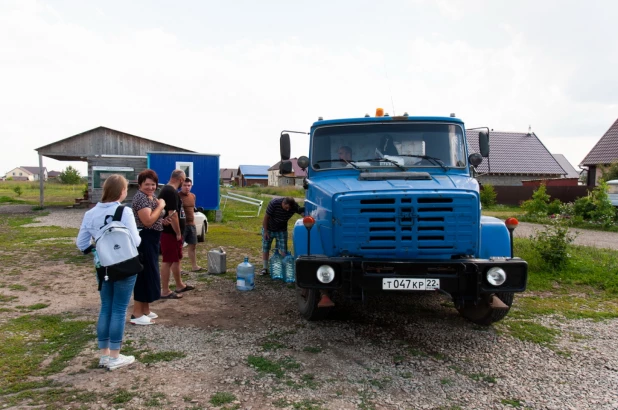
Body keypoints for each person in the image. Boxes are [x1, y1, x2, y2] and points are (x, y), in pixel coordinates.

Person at [76, 174, 141, 370]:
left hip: (103, 266)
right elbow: (136, 241)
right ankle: (115, 356)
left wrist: (97, 252)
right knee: (120, 309)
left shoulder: (90, 214)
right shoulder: (124, 211)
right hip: (124, 264)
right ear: (122, 191)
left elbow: (81, 244)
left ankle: (104, 355)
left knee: (106, 307)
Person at [131, 169, 167, 323]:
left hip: (152, 239)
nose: (151, 187)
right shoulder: (141, 198)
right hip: (144, 239)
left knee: (150, 273)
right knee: (143, 275)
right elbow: (147, 221)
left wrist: (163, 220)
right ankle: (136, 314)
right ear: (140, 184)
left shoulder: (150, 197)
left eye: (153, 184)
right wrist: (161, 205)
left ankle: (145, 309)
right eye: (147, 184)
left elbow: (154, 218)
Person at [158, 169, 195, 297]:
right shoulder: (170, 191)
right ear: (180, 180)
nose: (184, 183)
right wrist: (178, 232)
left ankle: (179, 285)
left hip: (173, 232)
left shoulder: (169, 191)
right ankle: (165, 290)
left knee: (176, 259)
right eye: (183, 181)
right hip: (170, 233)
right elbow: (172, 215)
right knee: (168, 260)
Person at [261, 197, 305, 275]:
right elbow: (266, 218)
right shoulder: (274, 203)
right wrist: (265, 231)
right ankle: (265, 268)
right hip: (269, 228)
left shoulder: (294, 206)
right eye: (287, 207)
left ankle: (283, 269)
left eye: (290, 208)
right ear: (283, 203)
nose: (288, 210)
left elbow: (302, 214)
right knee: (266, 247)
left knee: (283, 249)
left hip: (282, 230)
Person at [179, 177, 202, 273]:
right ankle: (179, 269)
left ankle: (194, 266)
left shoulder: (193, 196)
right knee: (179, 247)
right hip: (182, 225)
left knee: (193, 245)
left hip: (191, 224)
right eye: (185, 185)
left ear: (191, 186)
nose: (187, 187)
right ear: (181, 186)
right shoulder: (177, 196)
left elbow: (192, 209)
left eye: (189, 185)